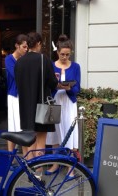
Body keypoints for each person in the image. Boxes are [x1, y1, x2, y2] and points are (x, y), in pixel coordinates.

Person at [14, 32, 58, 161]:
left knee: (29, 138)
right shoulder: (44, 60)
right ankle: (38, 172)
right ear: (38, 43)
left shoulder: (19, 62)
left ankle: (30, 168)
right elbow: (52, 83)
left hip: (25, 105)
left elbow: (18, 83)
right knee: (41, 140)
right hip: (42, 104)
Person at [45, 34, 81, 179]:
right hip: (55, 101)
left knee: (70, 133)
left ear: (71, 52)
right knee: (55, 134)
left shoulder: (76, 66)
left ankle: (70, 167)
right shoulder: (51, 66)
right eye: (62, 54)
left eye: (67, 54)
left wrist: (69, 88)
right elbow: (47, 86)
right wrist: (56, 83)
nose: (64, 57)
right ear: (57, 52)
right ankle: (55, 164)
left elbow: (78, 87)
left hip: (69, 102)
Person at [5, 34, 28, 158]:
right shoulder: (9, 59)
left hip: (23, 95)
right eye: (24, 47)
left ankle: (25, 156)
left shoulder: (25, 59)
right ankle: (10, 155)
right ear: (17, 46)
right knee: (13, 125)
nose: (26, 49)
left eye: (27, 47)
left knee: (22, 126)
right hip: (14, 95)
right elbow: (16, 75)